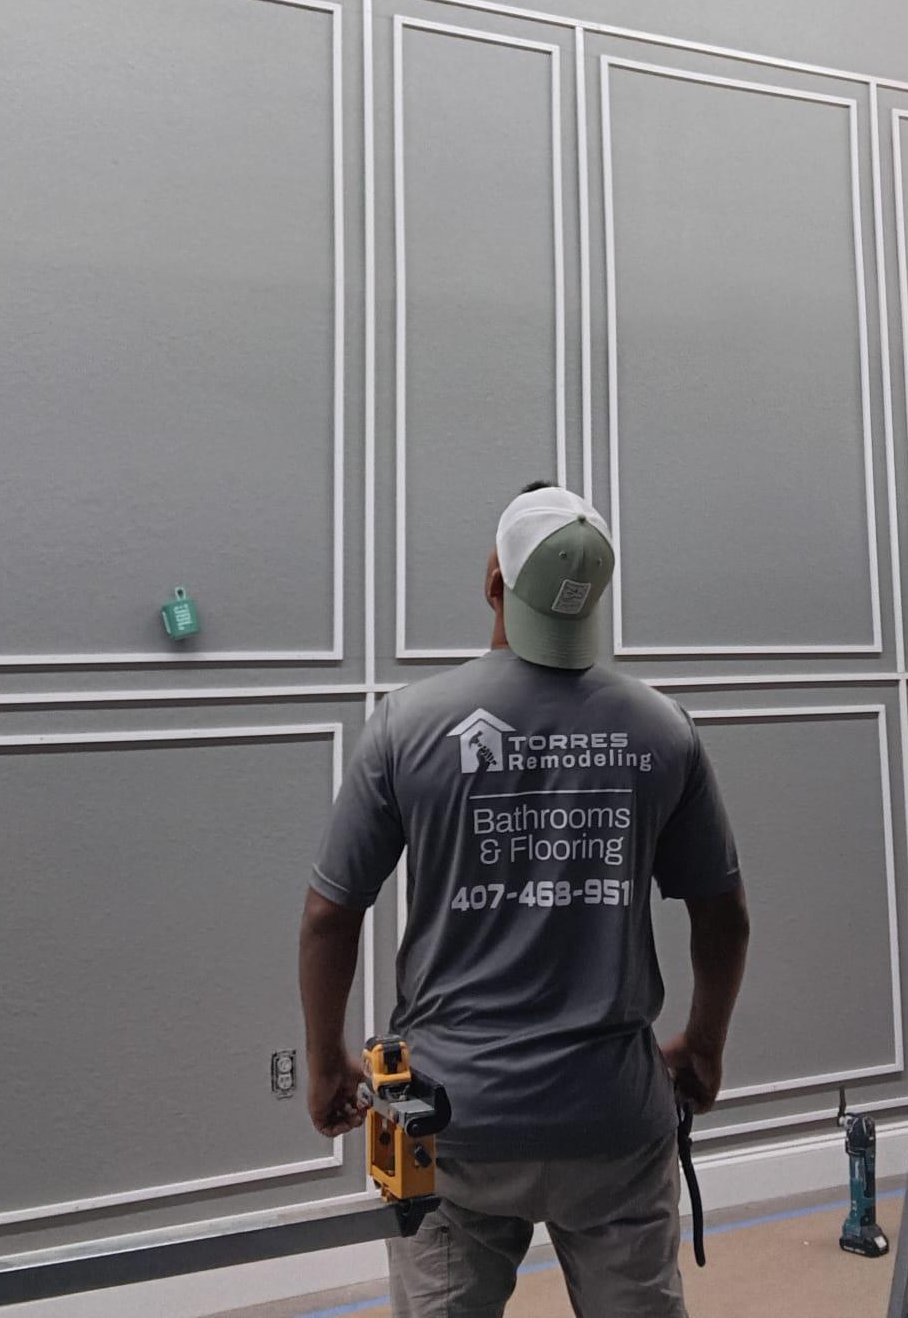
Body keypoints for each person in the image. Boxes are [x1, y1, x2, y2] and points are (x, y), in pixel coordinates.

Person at [299, 482, 749, 1318]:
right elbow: (724, 916)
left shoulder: (406, 724)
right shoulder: (663, 729)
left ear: (493, 581)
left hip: (446, 1118)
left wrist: (325, 1061)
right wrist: (705, 1046)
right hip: (612, 1114)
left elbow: (331, 914)